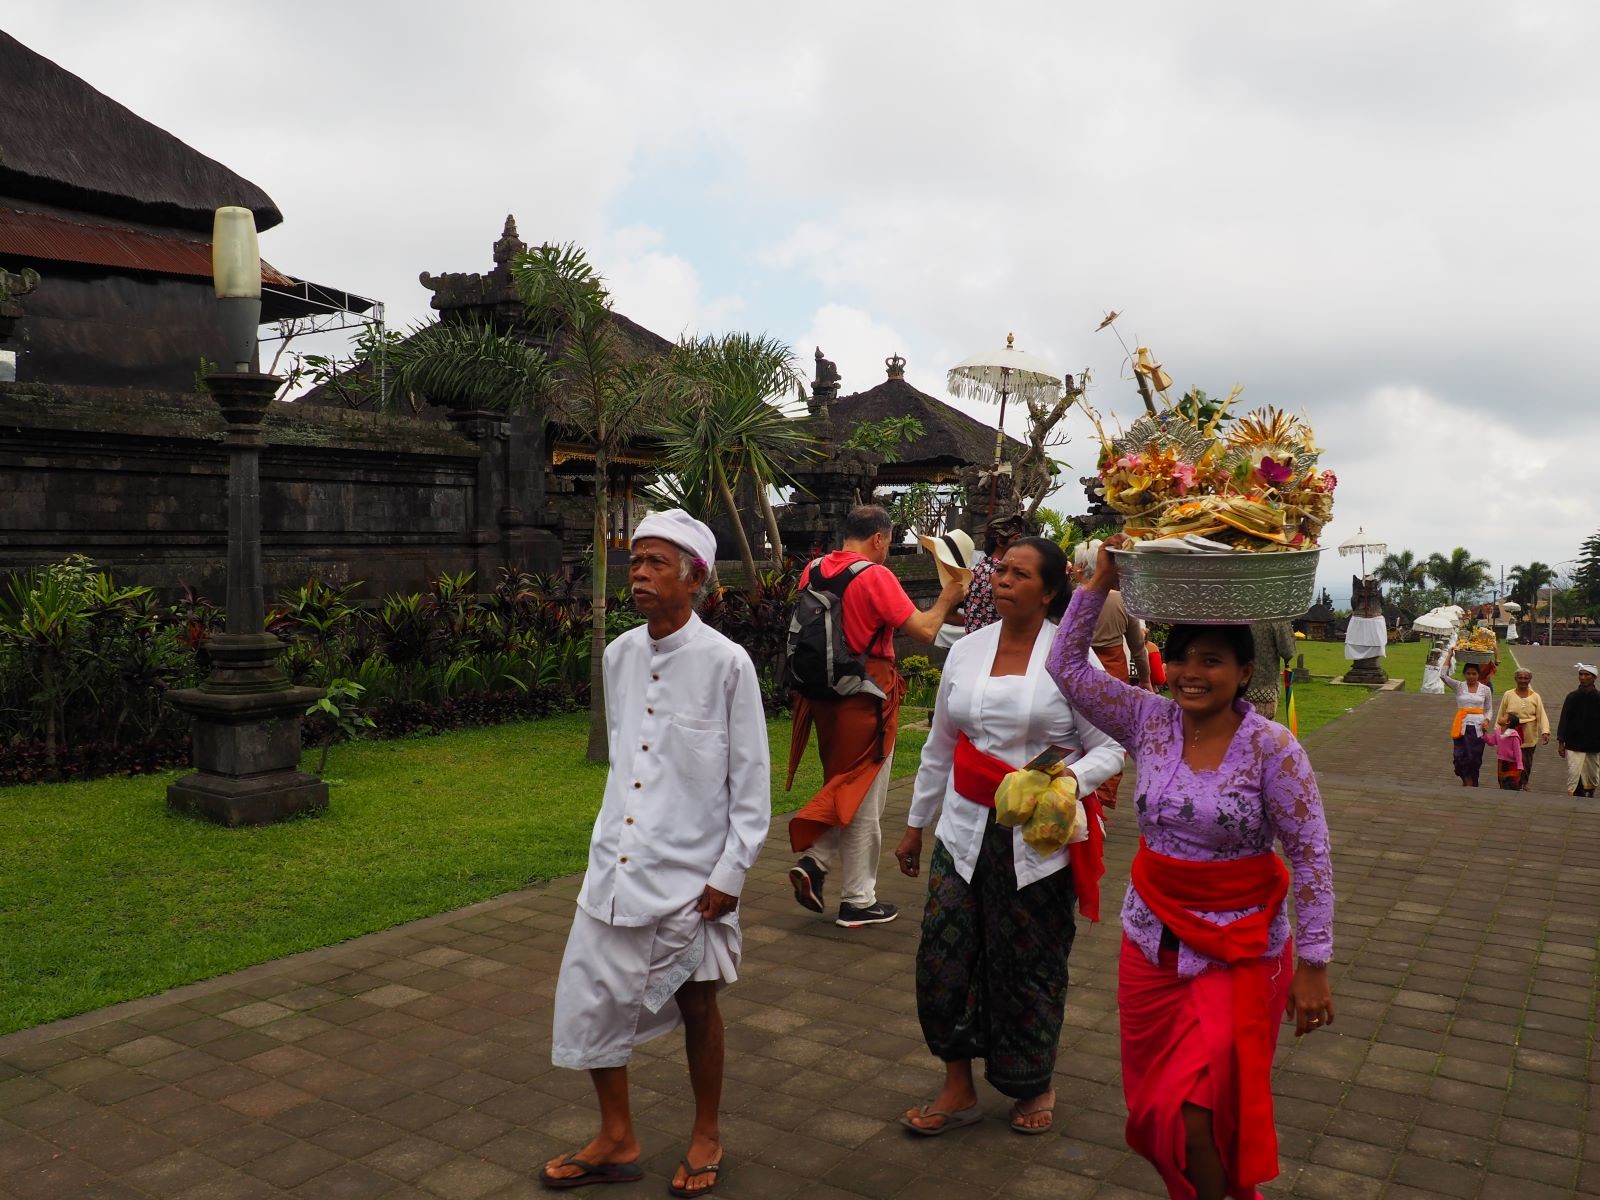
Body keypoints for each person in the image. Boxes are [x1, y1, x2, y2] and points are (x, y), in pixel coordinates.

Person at [1047, 538, 1334, 1200]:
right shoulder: (1147, 720)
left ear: (1244, 671)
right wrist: (1100, 582)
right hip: (1152, 941)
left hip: (1241, 949)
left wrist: (1315, 963)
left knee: (1199, 1112)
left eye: (1211, 660)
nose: (1190, 673)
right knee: (1154, 1114)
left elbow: (1311, 855)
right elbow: (1066, 665)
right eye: (1180, 658)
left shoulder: (1273, 749)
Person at [544, 511, 770, 1197]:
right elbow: (627, 763)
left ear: (695, 579)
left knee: (699, 1003)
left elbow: (750, 784)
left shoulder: (727, 664)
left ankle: (707, 1132)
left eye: (656, 563)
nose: (638, 574)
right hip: (615, 865)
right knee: (592, 999)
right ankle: (617, 1136)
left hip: (693, 876)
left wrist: (730, 872)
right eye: (635, 561)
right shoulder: (618, 655)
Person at [892, 537, 1124, 1137]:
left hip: (1038, 838)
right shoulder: (966, 651)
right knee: (944, 958)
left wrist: (1064, 781)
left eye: (1020, 574)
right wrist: (916, 826)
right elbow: (940, 746)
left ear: (1048, 592)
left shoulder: (1072, 658)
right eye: (1000, 571)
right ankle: (957, 1082)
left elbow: (1111, 746)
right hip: (963, 830)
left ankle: (1032, 1080)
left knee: (1028, 960)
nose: (1002, 580)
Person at [787, 505, 967, 928]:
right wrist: (948, 597)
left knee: (846, 781)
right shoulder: (875, 575)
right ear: (879, 538)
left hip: (823, 695)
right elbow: (924, 631)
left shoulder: (813, 569)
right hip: (867, 693)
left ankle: (816, 863)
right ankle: (858, 899)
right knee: (865, 790)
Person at [1439, 647, 1494, 787]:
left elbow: (1489, 709)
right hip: (1461, 727)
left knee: (1474, 758)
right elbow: (1443, 676)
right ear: (1464, 674)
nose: (1471, 676)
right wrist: (1450, 655)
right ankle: (1466, 780)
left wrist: (1487, 720)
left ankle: (1471, 783)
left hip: (1478, 729)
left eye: (1474, 674)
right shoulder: (1459, 686)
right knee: (1459, 757)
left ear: (1478, 675)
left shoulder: (1485, 689)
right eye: (1468, 673)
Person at [963, 513, 1026, 633]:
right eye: (1016, 539)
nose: (1021, 545)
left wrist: (974, 622)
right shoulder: (1008, 575)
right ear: (1000, 541)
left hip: (974, 640)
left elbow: (949, 614)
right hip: (1000, 641)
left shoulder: (971, 572)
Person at [1495, 669, 1551, 790]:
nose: (1523, 681)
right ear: (1515, 679)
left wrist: (1545, 731)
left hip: (1528, 735)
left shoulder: (1535, 696)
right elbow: (1501, 712)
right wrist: (1497, 732)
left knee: (1526, 760)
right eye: (1520, 678)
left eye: (1526, 678)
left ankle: (1523, 783)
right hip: (1510, 734)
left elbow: (1541, 714)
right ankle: (1508, 783)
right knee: (1508, 759)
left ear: (1530, 680)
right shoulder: (1508, 694)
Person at [1557, 662, 1600, 798]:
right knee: (1574, 772)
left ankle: (1589, 794)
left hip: (1594, 744)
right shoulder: (1572, 697)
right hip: (1573, 743)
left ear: (1594, 678)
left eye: (1586, 675)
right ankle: (1575, 797)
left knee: (1592, 775)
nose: (1583, 677)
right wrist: (1561, 742)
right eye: (1581, 674)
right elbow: (1564, 719)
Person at [1244, 621, 1296, 721]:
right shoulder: (1276, 617)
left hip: (1235, 689)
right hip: (1264, 689)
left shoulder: (1241, 614)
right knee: (1263, 728)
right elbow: (1288, 652)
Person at [1482, 715, 1525, 791]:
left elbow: (1518, 752)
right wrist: (1484, 733)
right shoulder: (1498, 731)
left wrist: (1520, 766)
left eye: (1504, 716)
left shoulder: (1514, 736)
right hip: (1501, 762)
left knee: (1511, 784)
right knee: (1502, 782)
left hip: (1512, 764)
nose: (1501, 716)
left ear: (1508, 722)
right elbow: (1491, 741)